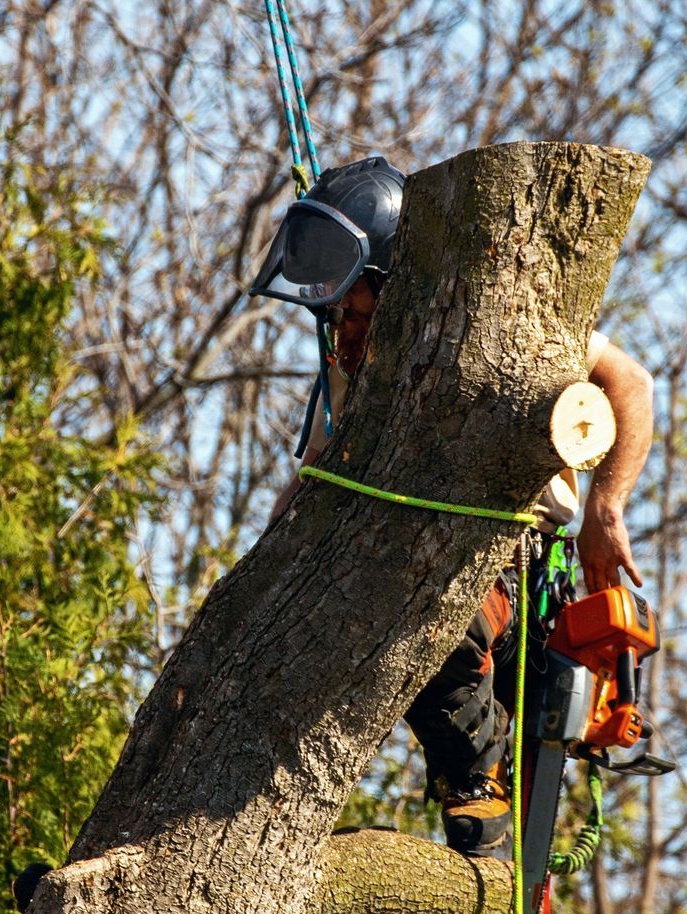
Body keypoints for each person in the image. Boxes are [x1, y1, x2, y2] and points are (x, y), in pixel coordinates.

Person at [256, 157, 656, 857]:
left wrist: (607, 510)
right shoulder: (351, 366)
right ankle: (471, 771)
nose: (344, 332)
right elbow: (319, 471)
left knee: (407, 586)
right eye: (335, 315)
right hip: (418, 575)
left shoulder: (491, 317)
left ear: (395, 284)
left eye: (356, 311)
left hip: (517, 575)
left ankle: (480, 771)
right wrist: (271, 559)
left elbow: (629, 382)